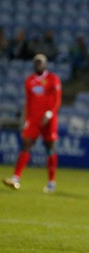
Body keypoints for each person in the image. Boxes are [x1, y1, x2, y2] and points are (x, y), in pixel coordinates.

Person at [3, 54, 62, 193]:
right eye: (36, 63)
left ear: (46, 64)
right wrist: (26, 120)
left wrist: (49, 113)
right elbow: (28, 102)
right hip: (34, 119)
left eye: (41, 62)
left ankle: (51, 182)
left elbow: (57, 100)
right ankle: (16, 178)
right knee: (26, 145)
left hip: (48, 119)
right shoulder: (29, 81)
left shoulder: (53, 79)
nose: (38, 65)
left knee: (49, 148)